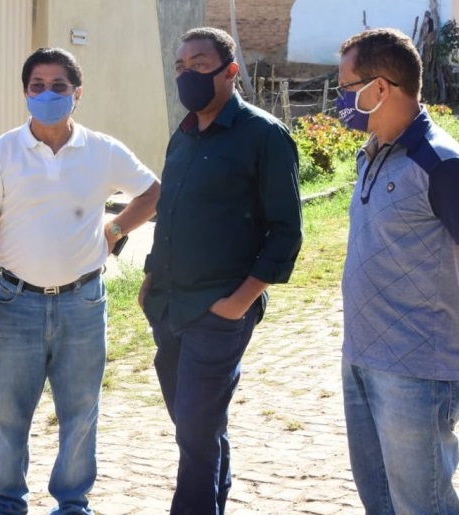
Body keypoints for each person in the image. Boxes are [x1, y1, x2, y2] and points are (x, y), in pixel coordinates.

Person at [0, 47, 160, 514]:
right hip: (17, 302)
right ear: (25, 93)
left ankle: (72, 503)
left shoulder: (102, 150)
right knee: (9, 415)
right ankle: (6, 503)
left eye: (58, 87)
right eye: (38, 87)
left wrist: (115, 229)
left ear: (77, 94)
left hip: (83, 303)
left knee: (81, 412)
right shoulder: (1, 152)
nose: (47, 95)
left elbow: (152, 193)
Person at [336, 28, 459, 514]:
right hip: (360, 358)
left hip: (415, 374)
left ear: (380, 88)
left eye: (346, 88)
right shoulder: (373, 152)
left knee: (422, 507)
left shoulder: (441, 163)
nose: (340, 101)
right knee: (381, 503)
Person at [140, 27, 303, 514]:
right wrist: (150, 279)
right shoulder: (183, 134)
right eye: (180, 66)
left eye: (199, 64)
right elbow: (169, 211)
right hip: (169, 304)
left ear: (230, 72)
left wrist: (239, 301)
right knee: (199, 426)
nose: (187, 74)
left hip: (220, 309)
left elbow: (286, 231)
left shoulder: (264, 136)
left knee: (195, 429)